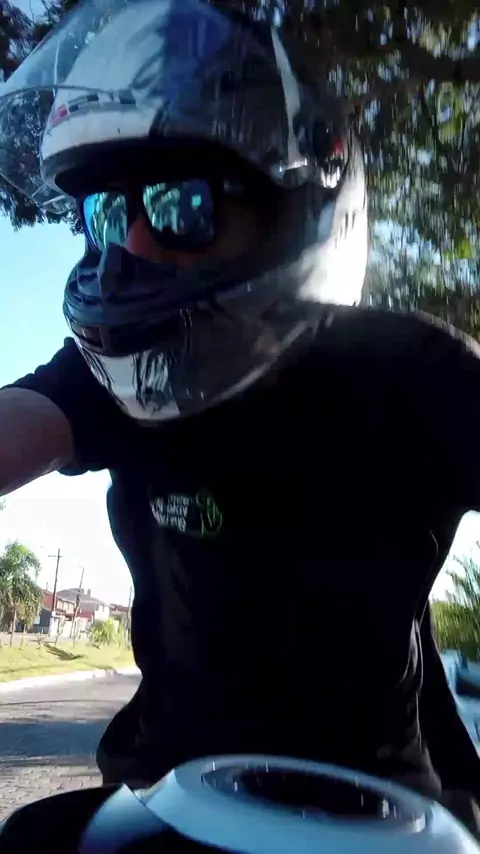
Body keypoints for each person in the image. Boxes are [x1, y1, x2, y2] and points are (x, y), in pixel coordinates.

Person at [0, 0, 479, 835]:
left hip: (378, 816)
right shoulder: (120, 381)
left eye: (181, 204)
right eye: (109, 215)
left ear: (291, 210)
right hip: (161, 801)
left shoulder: (409, 369)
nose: (131, 249)